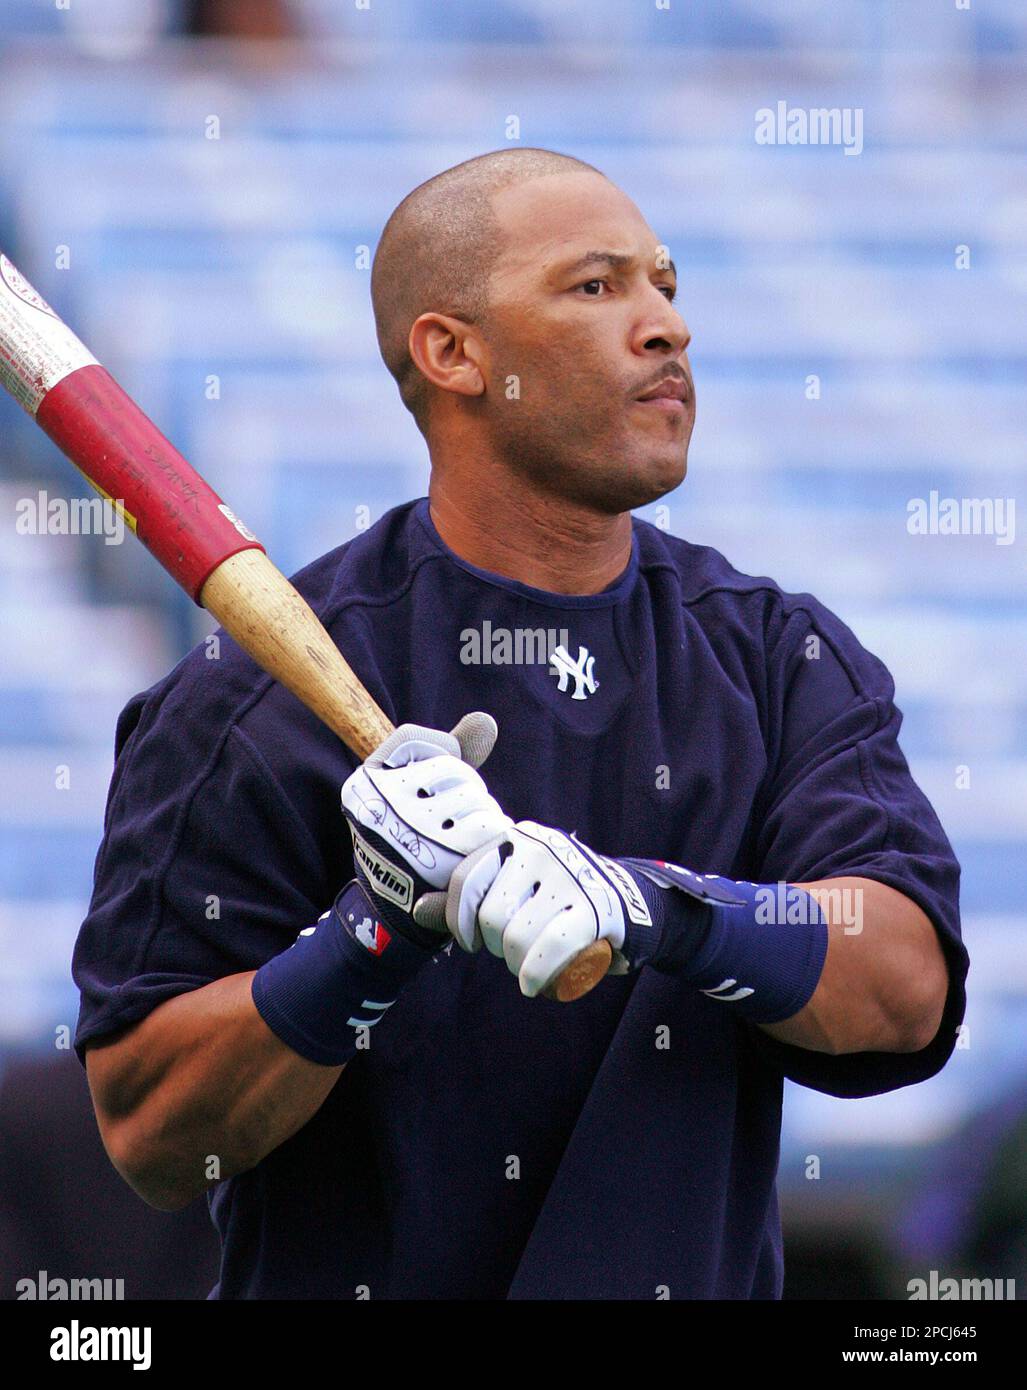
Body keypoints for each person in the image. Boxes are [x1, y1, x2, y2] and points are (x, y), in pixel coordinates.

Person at [74, 148, 967, 1299]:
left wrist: (651, 905)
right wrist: (375, 934)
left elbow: (901, 989)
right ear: (453, 354)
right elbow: (152, 1132)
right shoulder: (247, 700)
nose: (666, 328)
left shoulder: (775, 657)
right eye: (596, 287)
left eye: (667, 284)